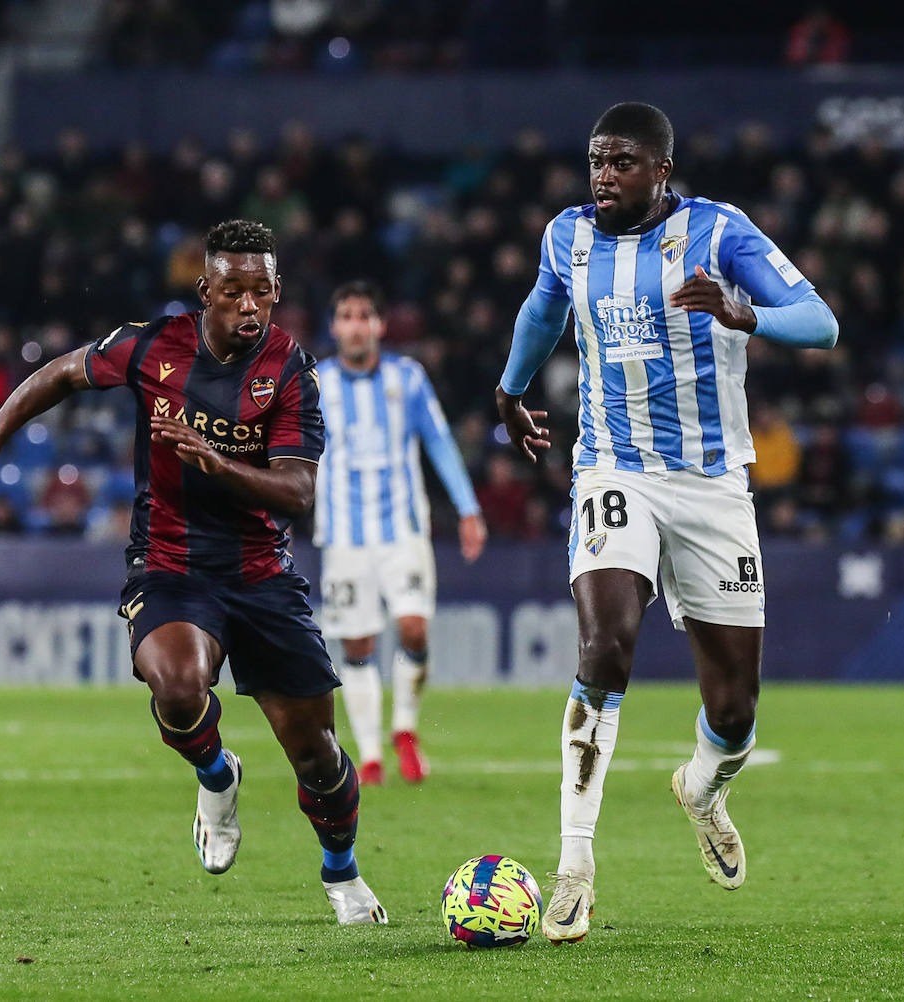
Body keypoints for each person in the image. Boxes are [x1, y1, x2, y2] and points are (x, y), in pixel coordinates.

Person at [0, 219, 387, 925]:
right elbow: (62, 372)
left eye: (264, 294)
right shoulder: (152, 346)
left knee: (318, 757)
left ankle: (342, 873)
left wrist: (218, 464)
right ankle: (217, 776)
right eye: (235, 292)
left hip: (262, 576)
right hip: (170, 564)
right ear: (205, 289)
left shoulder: (292, 371)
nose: (250, 307)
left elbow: (298, 493)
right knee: (179, 687)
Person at [494, 103, 838, 945]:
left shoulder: (722, 235)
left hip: (714, 485)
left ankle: (703, 787)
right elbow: (546, 309)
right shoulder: (566, 237)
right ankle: (575, 865)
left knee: (735, 709)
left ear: (661, 171)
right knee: (604, 648)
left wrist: (743, 314)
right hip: (614, 468)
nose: (602, 176)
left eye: (620, 162)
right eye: (595, 161)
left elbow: (822, 323)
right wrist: (510, 388)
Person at [313, 280, 486, 785]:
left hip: (403, 529)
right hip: (343, 535)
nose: (356, 324)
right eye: (346, 315)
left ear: (381, 326)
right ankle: (368, 755)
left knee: (413, 627)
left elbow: (439, 441)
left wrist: (469, 509)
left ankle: (405, 729)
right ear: (334, 326)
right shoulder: (316, 383)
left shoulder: (407, 378)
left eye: (365, 315)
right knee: (359, 644)